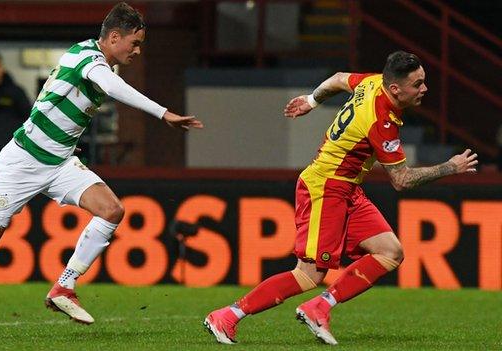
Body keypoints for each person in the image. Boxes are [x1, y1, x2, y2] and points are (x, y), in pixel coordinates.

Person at [0, 2, 203, 341]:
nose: (138, 51)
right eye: (135, 42)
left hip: (59, 161)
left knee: (112, 210)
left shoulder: (96, 62)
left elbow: (61, 106)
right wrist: (163, 113)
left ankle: (64, 287)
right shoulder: (89, 59)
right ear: (114, 37)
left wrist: (66, 140)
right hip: (23, 164)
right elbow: (112, 89)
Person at [204, 51, 478, 345]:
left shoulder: (373, 82)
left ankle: (319, 307)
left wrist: (311, 101)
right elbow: (402, 180)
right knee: (310, 274)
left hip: (347, 189)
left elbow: (336, 80)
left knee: (390, 252)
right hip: (326, 188)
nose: (424, 89)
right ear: (395, 89)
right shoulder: (380, 120)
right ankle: (228, 315)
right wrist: (452, 167)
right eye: (418, 83)